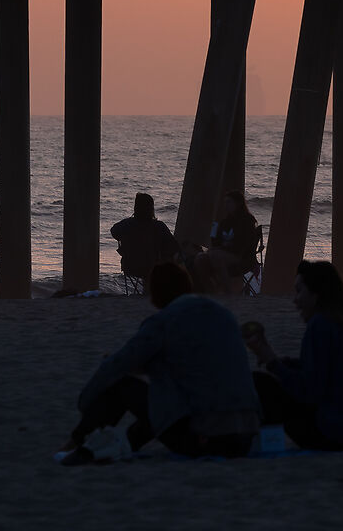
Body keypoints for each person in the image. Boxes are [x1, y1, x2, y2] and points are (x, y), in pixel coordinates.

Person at [64, 261, 259, 461]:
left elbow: (117, 365)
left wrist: (85, 404)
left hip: (203, 439)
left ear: (155, 294)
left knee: (123, 386)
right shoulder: (224, 315)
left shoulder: (163, 322)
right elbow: (194, 368)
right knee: (161, 399)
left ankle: (77, 441)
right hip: (245, 438)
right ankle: (128, 443)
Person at [242, 260, 343, 451]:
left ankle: (269, 446)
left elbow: (309, 392)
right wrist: (282, 363)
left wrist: (273, 363)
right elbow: (332, 368)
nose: (295, 300)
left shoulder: (321, 324)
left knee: (260, 384)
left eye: (299, 291)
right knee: (278, 377)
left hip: (342, 436)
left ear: (316, 295)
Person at [110, 192, 177, 283]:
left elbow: (114, 231)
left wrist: (125, 239)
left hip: (130, 267)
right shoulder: (159, 226)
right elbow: (173, 246)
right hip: (153, 266)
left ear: (135, 207)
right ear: (151, 208)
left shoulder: (125, 224)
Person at [204, 190, 263, 291]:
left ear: (238, 203)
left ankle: (227, 291)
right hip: (224, 253)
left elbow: (243, 244)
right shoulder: (225, 222)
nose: (226, 205)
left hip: (241, 257)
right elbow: (215, 242)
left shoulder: (248, 221)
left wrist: (222, 249)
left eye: (229, 202)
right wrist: (214, 226)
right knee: (200, 258)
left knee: (215, 255)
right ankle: (209, 290)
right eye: (225, 203)